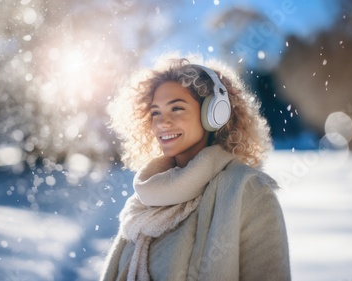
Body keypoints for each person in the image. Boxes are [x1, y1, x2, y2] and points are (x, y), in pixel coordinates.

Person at [101, 55, 291, 281]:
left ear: (214, 114)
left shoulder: (250, 193)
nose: (162, 122)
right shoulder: (144, 202)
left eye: (177, 109)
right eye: (155, 112)